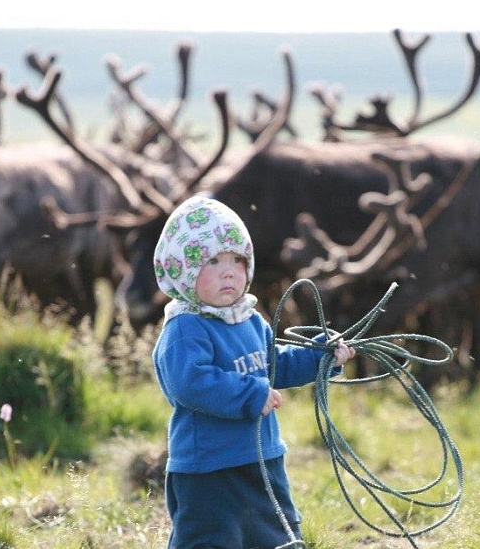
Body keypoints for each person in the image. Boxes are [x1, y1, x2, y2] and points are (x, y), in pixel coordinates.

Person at [151, 195, 355, 548]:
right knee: (210, 539)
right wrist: (250, 395)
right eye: (212, 261)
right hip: (209, 469)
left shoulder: (248, 320)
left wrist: (321, 358)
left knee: (276, 535)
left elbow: (274, 364)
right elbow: (190, 383)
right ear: (183, 269)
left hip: (263, 458)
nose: (229, 271)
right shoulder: (186, 327)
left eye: (237, 260)